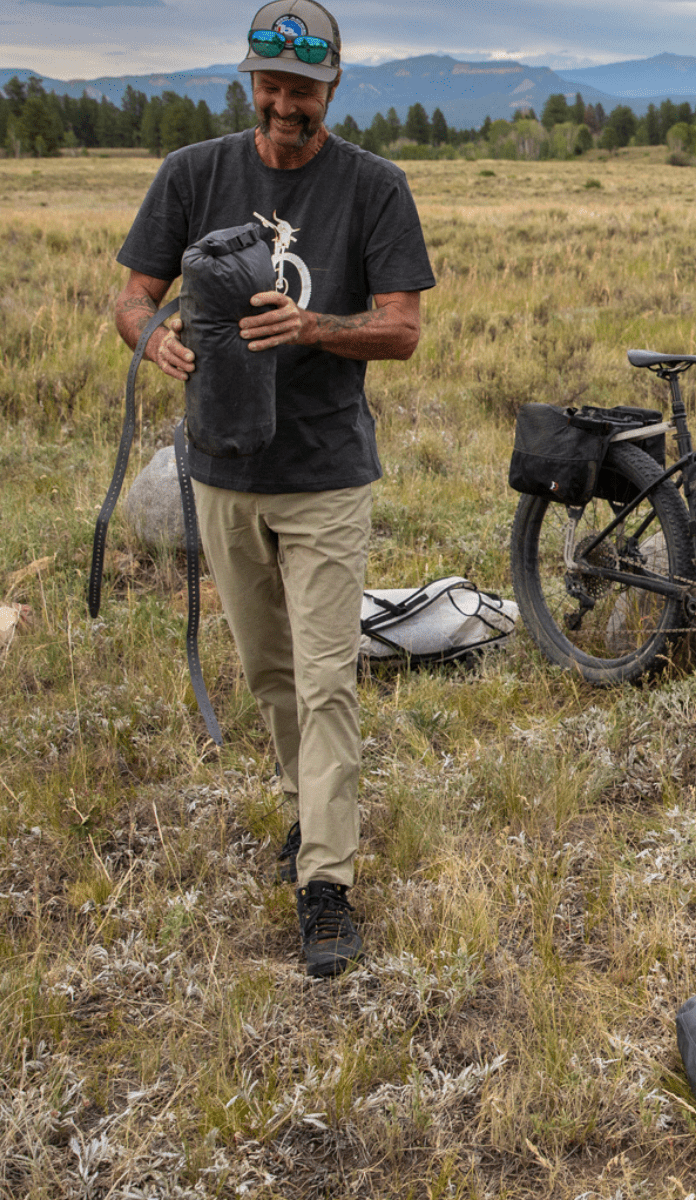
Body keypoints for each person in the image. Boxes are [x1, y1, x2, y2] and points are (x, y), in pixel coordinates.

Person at [112, 0, 436, 977]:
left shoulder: (373, 187)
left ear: (332, 87)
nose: (283, 102)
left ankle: (326, 882)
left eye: (301, 86)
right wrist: (153, 335)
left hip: (326, 473)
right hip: (220, 470)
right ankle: (310, 808)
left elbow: (403, 328)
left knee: (329, 676)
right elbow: (131, 292)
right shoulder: (194, 173)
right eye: (269, 82)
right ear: (249, 80)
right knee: (271, 673)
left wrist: (312, 329)